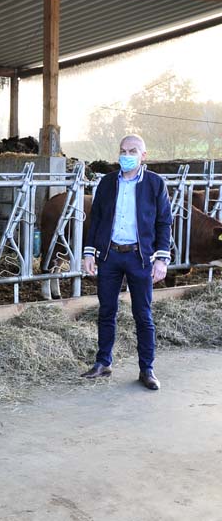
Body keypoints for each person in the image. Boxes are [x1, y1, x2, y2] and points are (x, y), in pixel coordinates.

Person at [81, 134, 171, 390]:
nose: (126, 155)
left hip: (139, 257)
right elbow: (96, 218)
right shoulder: (108, 183)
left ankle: (147, 369)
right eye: (122, 150)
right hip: (110, 255)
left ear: (143, 155)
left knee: (142, 314)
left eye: (132, 151)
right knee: (106, 310)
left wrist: (161, 258)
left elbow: (164, 222)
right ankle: (103, 362)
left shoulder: (155, 184)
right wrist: (90, 252)